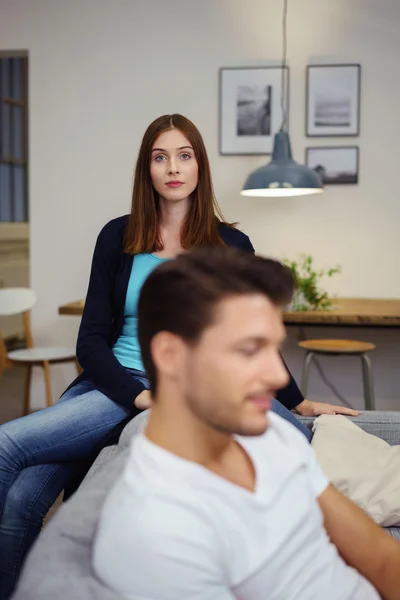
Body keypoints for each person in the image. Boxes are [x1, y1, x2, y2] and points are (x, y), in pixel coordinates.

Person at [0, 114, 356, 599]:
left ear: (199, 166)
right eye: (160, 156)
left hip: (184, 388)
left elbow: (251, 336)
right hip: (115, 385)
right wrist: (141, 397)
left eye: (184, 155)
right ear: (146, 169)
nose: (173, 167)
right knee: (20, 495)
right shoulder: (117, 237)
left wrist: (297, 403)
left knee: (8, 448)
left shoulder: (231, 245)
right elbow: (89, 343)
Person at [93, 247, 400, 600]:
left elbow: (382, 557)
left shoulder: (273, 437)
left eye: (274, 348)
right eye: (249, 350)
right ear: (170, 356)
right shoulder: (157, 532)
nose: (275, 375)